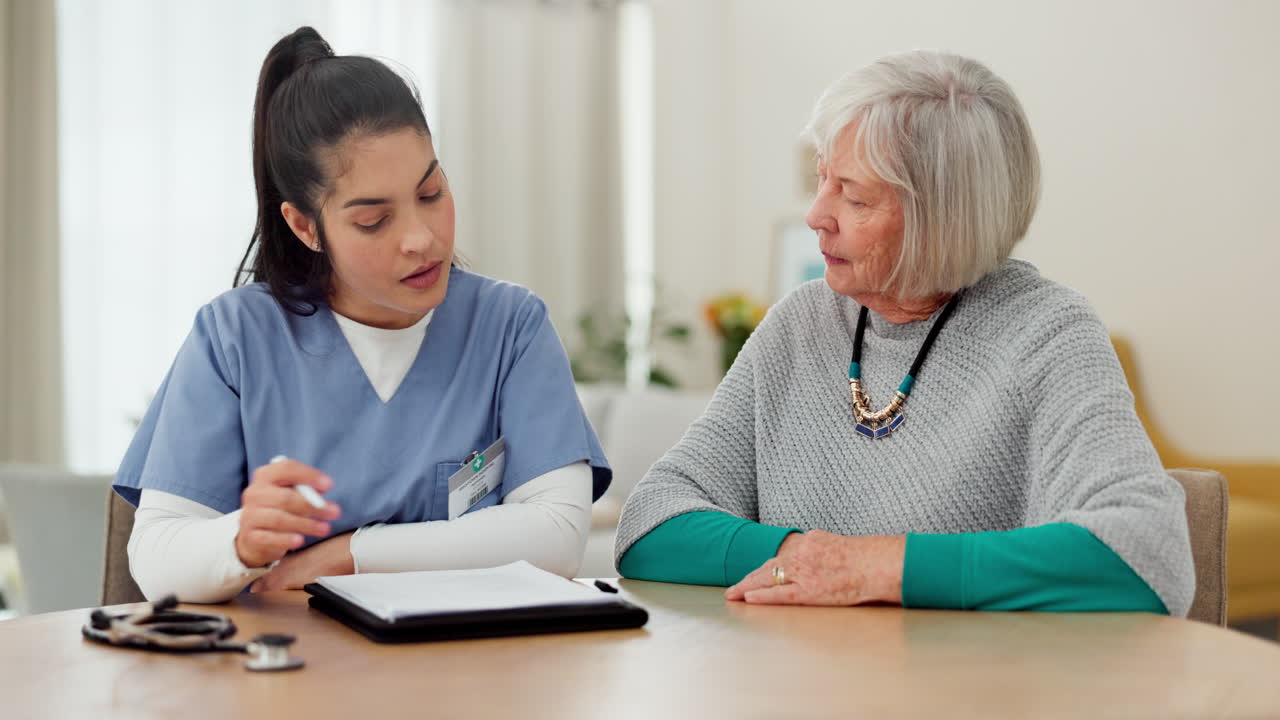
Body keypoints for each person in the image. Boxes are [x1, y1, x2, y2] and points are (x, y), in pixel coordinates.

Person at [614, 50, 1194, 615]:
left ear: (942, 220)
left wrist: (871, 569)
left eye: (855, 195)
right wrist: (805, 559)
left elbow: (1142, 554)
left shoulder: (1046, 334)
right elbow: (651, 524)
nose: (816, 213)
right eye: (822, 178)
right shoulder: (799, 324)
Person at [115, 27, 610, 603]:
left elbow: (555, 537)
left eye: (431, 194)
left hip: (469, 675)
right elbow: (156, 558)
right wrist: (241, 542)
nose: (421, 239)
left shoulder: (510, 326)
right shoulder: (234, 338)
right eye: (374, 220)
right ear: (306, 228)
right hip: (288, 678)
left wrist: (349, 555)